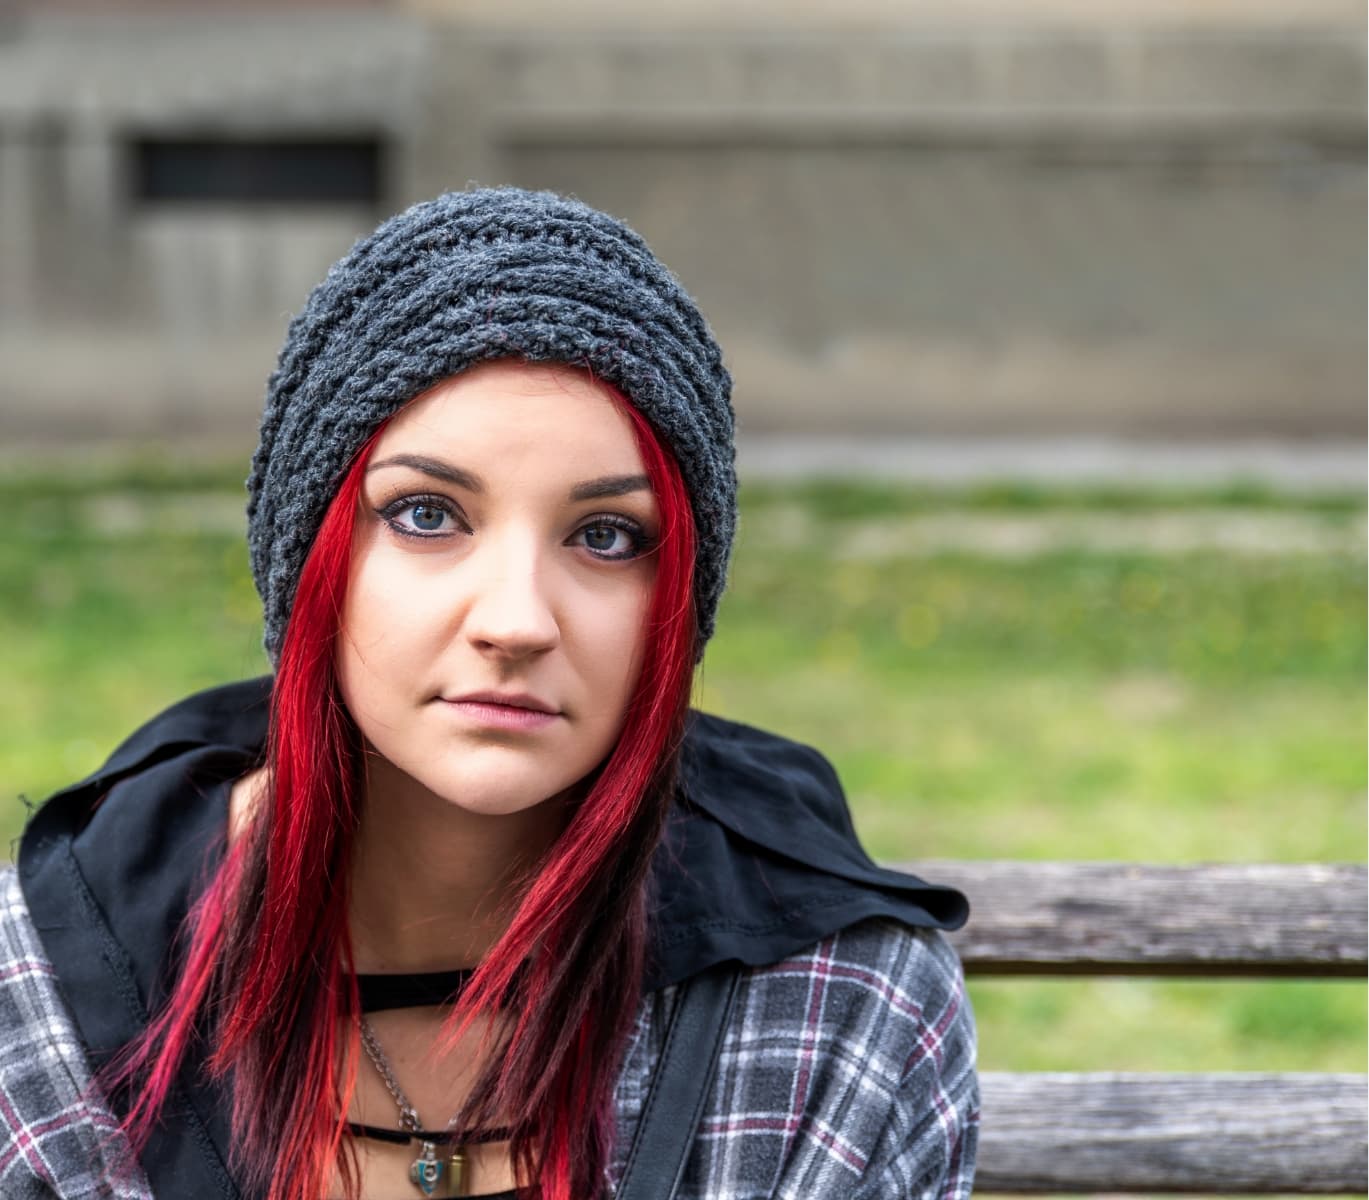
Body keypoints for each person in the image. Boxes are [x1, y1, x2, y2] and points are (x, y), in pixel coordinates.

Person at [1, 187, 978, 1200]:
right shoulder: (52, 997)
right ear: (311, 570)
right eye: (427, 514)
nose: (515, 620)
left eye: (605, 536)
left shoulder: (831, 1007)